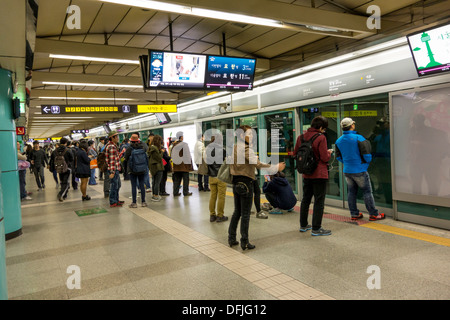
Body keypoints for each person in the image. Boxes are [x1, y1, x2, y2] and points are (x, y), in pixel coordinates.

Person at [229, 125, 285, 250]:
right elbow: (258, 164)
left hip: (236, 182)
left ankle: (231, 238)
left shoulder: (234, 148)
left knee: (237, 211)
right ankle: (245, 241)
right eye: (250, 134)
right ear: (242, 136)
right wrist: (275, 167)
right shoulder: (247, 149)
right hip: (246, 183)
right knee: (245, 214)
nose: (252, 136)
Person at [335, 117, 385, 221]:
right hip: (359, 169)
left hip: (347, 171)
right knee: (367, 192)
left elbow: (338, 156)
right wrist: (365, 165)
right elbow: (367, 155)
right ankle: (373, 214)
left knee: (351, 192)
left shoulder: (338, 141)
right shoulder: (359, 138)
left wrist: (347, 163)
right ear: (352, 125)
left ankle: (354, 214)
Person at [294, 116, 333, 236]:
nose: (324, 131)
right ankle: (316, 228)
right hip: (319, 174)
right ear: (321, 127)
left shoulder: (301, 137)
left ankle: (303, 225)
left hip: (306, 173)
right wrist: (329, 153)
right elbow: (324, 157)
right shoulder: (321, 137)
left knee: (306, 199)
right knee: (319, 201)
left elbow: (296, 153)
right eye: (324, 129)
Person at [206, 135, 228, 223]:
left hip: (211, 176)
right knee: (221, 196)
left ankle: (212, 215)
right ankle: (220, 216)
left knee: (213, 196)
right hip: (221, 176)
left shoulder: (208, 150)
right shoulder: (222, 150)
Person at [123, 133, 148, 207]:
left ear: (131, 140)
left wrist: (125, 169)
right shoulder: (143, 147)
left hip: (132, 170)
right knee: (142, 185)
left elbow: (126, 159)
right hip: (142, 169)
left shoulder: (129, 148)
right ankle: (143, 202)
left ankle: (134, 203)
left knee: (133, 186)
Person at [50, 137, 74, 202]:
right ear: (66, 143)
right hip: (67, 168)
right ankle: (61, 194)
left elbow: (52, 159)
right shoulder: (68, 150)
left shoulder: (55, 151)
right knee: (66, 183)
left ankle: (64, 195)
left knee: (62, 181)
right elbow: (72, 159)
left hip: (58, 168)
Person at [105, 131, 124, 207]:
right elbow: (112, 161)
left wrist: (121, 153)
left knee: (117, 185)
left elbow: (115, 158)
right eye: (116, 137)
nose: (118, 138)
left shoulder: (112, 145)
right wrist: (112, 172)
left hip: (115, 169)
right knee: (114, 186)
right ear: (112, 138)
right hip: (113, 170)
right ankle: (113, 201)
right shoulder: (111, 147)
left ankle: (116, 199)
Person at [171, 131, 194, 196]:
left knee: (177, 180)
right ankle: (185, 192)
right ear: (181, 137)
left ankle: (175, 192)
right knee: (185, 180)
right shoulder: (184, 145)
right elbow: (187, 155)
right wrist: (189, 165)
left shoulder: (174, 146)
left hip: (176, 166)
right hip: (184, 166)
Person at [148, 135, 165, 202]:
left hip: (153, 166)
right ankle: (155, 195)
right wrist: (162, 152)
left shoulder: (151, 148)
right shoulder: (155, 149)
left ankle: (154, 194)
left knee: (154, 181)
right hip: (158, 167)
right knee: (157, 182)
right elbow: (159, 158)